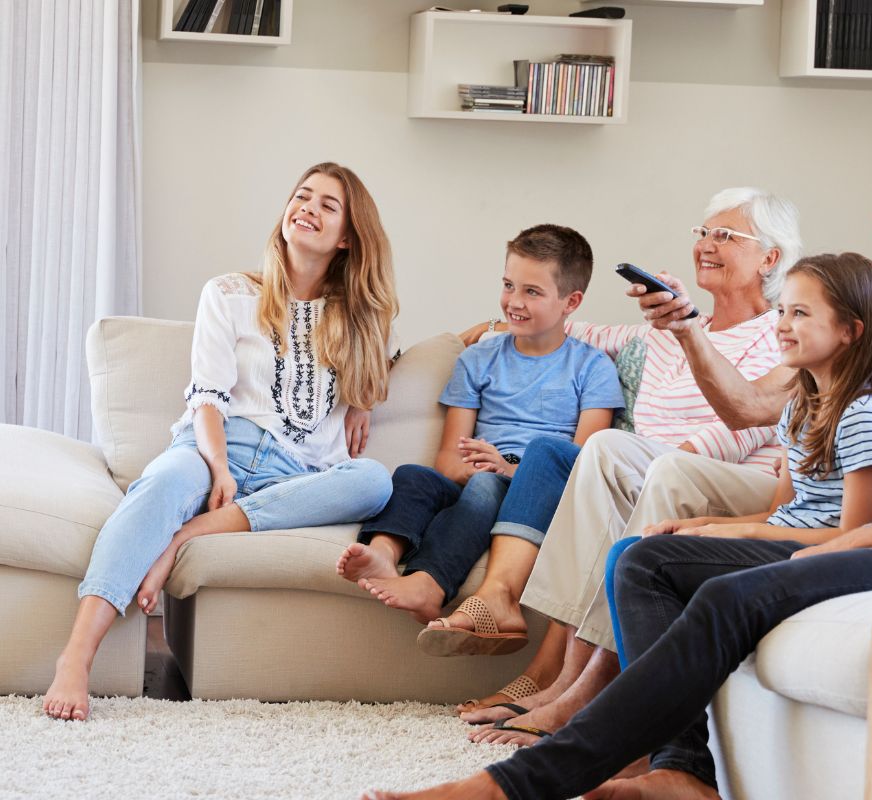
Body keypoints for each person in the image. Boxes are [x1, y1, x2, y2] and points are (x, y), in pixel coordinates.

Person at [361, 189, 872, 800]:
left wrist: (850, 537)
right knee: (649, 563)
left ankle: (519, 786)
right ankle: (683, 774)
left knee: (722, 592)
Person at [463, 153, 872, 744]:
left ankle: (596, 693)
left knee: (663, 486)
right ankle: (563, 674)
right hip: (811, 484)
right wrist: (688, 331)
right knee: (617, 458)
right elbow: (754, 407)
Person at [43, 162, 400, 722]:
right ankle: (76, 658)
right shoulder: (230, 293)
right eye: (301, 196)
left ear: (348, 237)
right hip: (218, 446)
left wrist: (362, 399)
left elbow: (390, 358)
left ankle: (185, 536)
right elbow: (207, 396)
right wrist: (217, 468)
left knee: (376, 481)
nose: (307, 207)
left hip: (297, 472)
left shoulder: (359, 318)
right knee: (161, 484)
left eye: (327, 205)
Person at [436, 187, 801, 719]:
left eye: (726, 235)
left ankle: (559, 682)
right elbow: (579, 327)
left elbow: (743, 425)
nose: (706, 244)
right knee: (555, 454)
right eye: (703, 232)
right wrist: (502, 324)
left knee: (609, 458)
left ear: (770, 258)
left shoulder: (782, 332)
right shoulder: (667, 330)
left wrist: (650, 466)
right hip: (641, 467)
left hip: (717, 478)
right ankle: (514, 620)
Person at [333, 225, 624, 634]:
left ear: (571, 301)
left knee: (488, 487)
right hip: (476, 478)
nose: (514, 302)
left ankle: (430, 583)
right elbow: (448, 459)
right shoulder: (479, 359)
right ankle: (382, 550)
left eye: (532, 292)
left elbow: (582, 467)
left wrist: (505, 472)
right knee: (413, 477)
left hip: (537, 491)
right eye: (509, 285)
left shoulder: (593, 369)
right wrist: (475, 470)